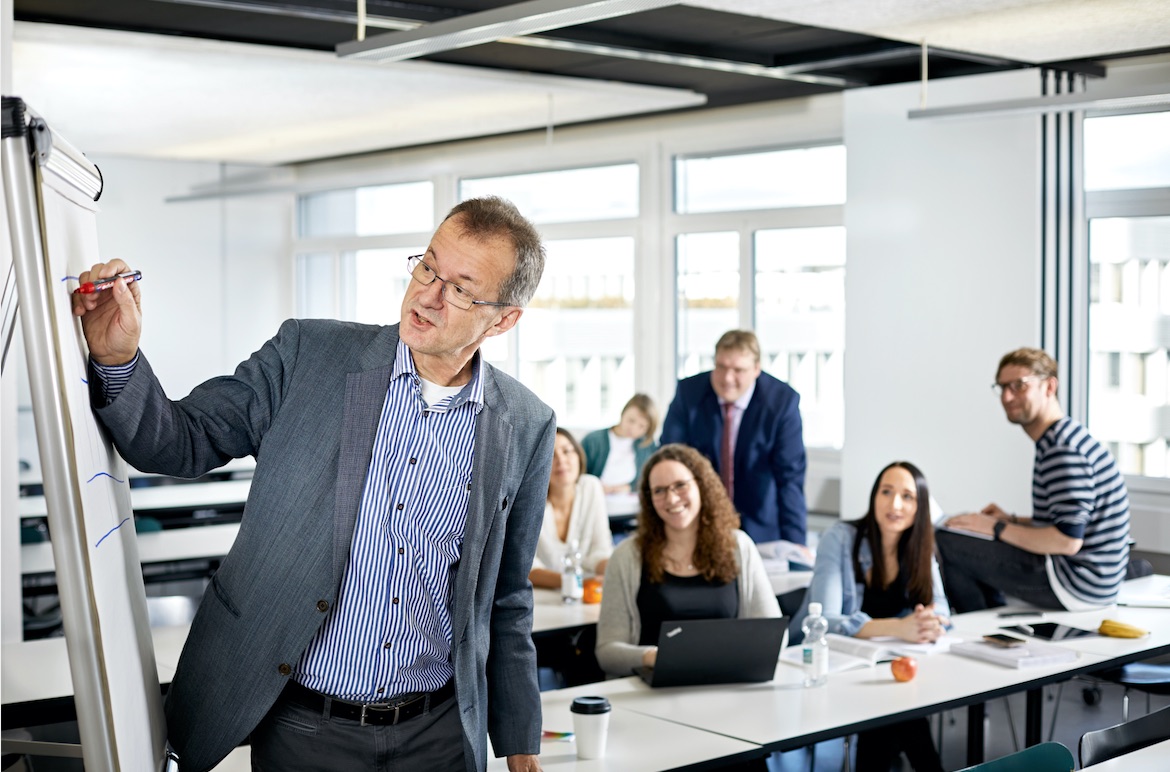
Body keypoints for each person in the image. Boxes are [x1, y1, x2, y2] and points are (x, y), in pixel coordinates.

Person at [72, 197, 553, 772]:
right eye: (427, 267)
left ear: (503, 318)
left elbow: (506, 598)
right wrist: (118, 358)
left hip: (441, 733)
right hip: (305, 726)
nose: (428, 294)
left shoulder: (525, 424)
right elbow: (179, 440)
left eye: (460, 289)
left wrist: (521, 746)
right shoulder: (309, 354)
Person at [937, 347, 1131, 613]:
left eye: (1019, 386)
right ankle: (990, 617)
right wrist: (1011, 521)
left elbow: (1067, 541)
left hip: (1077, 583)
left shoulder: (1062, 450)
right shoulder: (1063, 438)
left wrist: (994, 528)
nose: (1007, 396)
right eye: (1002, 387)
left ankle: (977, 626)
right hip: (1092, 581)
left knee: (947, 541)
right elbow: (1070, 522)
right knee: (966, 528)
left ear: (1049, 387)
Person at [791, 462, 949, 772]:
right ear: (873, 496)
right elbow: (827, 621)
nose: (894, 504)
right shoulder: (840, 538)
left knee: (898, 710)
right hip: (821, 665)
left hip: (883, 669)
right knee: (900, 713)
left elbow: (941, 608)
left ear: (920, 507)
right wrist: (900, 628)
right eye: (886, 492)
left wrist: (929, 622)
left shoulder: (919, 545)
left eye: (907, 496)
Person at [595, 444, 781, 678]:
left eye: (680, 485)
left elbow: (773, 636)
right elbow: (607, 653)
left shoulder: (739, 546)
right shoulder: (626, 557)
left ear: (702, 485)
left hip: (728, 685)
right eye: (659, 491)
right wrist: (655, 657)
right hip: (653, 691)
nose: (671, 498)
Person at [660, 330, 808, 546]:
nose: (727, 378)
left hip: (761, 529)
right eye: (720, 367)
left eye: (738, 370)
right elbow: (669, 459)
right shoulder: (689, 393)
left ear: (756, 369)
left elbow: (790, 479)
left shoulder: (781, 403)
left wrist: (796, 546)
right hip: (697, 524)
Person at [529, 428, 613, 588]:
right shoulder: (530, 499)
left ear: (578, 455)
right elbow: (526, 568)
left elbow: (600, 551)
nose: (561, 460)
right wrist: (574, 583)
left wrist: (615, 570)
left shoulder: (591, 486)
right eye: (551, 454)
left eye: (567, 451)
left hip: (587, 594)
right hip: (540, 597)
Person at [580, 393, 659, 496]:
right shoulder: (593, 440)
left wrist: (626, 488)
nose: (633, 429)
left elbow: (648, 479)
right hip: (596, 497)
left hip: (630, 503)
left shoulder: (647, 446)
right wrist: (596, 487)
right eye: (631, 421)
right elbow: (580, 474)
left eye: (642, 426)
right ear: (623, 413)